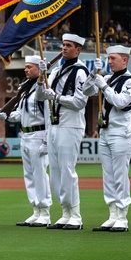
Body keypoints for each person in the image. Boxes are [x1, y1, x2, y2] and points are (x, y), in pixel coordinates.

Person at [38, 33, 91, 230]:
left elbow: (79, 102)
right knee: (56, 172)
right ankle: (65, 212)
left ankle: (75, 214)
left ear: (78, 50)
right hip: (54, 125)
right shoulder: (57, 70)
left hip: (70, 125)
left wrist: (57, 97)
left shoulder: (81, 72)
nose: (64, 48)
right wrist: (40, 80)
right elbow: (42, 96)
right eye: (63, 45)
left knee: (68, 170)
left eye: (69, 46)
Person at [85, 45, 131, 232]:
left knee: (120, 175)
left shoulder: (130, 81)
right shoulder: (106, 77)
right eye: (108, 59)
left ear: (124, 60)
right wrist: (93, 75)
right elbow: (85, 92)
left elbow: (121, 102)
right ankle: (112, 214)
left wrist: (104, 86)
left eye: (113, 58)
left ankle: (122, 216)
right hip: (105, 132)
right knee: (108, 176)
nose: (109, 62)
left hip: (121, 132)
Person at [0, 55, 52, 227]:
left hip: (39, 134)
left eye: (29, 67)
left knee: (40, 174)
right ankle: (36, 209)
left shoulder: (42, 88)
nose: (26, 69)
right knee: (29, 175)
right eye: (26, 67)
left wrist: (46, 141)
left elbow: (49, 116)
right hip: (26, 135)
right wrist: (6, 116)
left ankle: (45, 211)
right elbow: (22, 114)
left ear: (38, 68)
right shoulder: (26, 89)